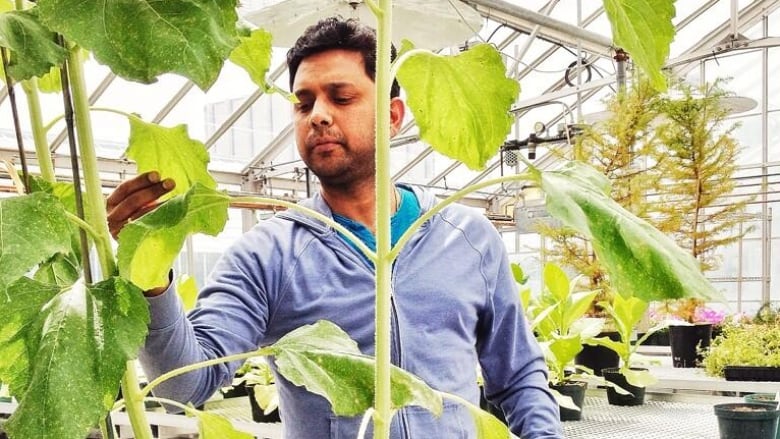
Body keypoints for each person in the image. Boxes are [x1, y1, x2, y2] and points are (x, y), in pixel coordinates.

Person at [106, 16, 563, 439]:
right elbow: (188, 384)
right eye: (304, 104)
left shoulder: (467, 236)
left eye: (341, 98)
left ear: (392, 115)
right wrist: (150, 274)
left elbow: (519, 375)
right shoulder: (269, 254)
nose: (319, 115)